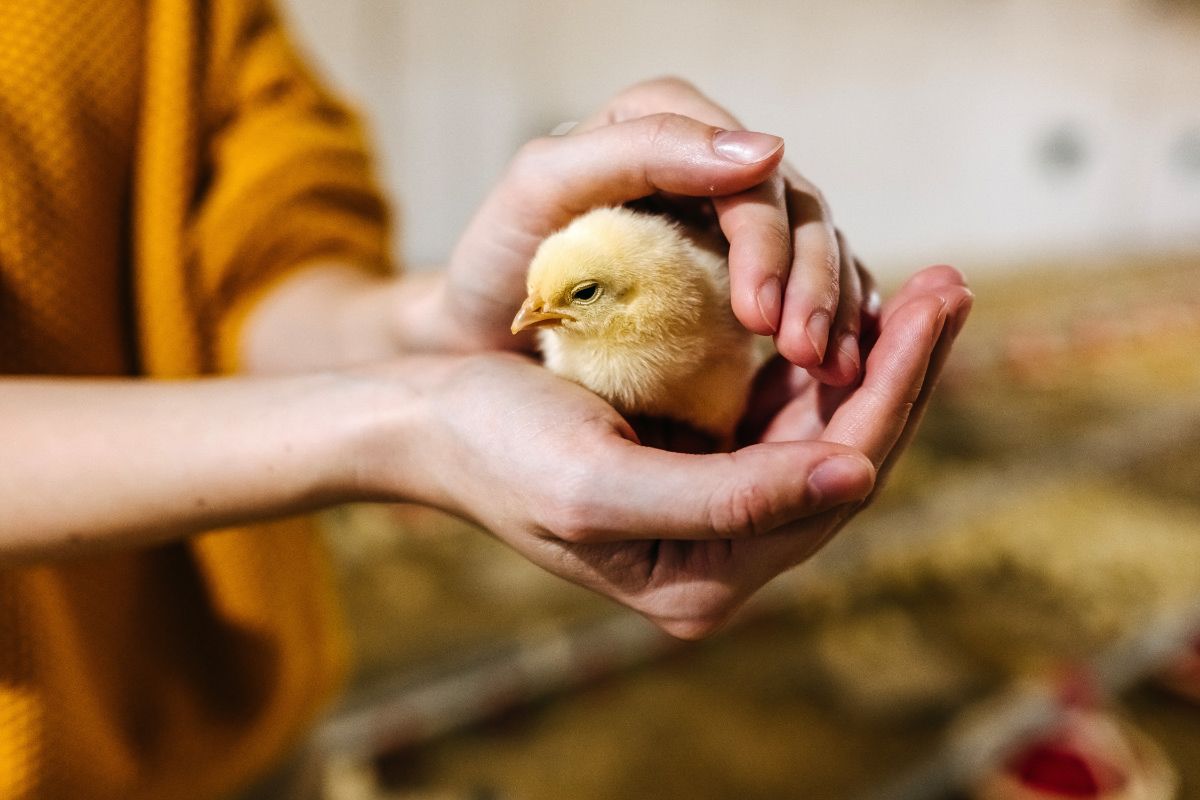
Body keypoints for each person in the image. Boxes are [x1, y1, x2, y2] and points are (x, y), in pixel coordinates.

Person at [0, 0, 973, 797]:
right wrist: (404, 423)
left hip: (251, 728)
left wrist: (429, 326)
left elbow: (251, 261)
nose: (532, 320)